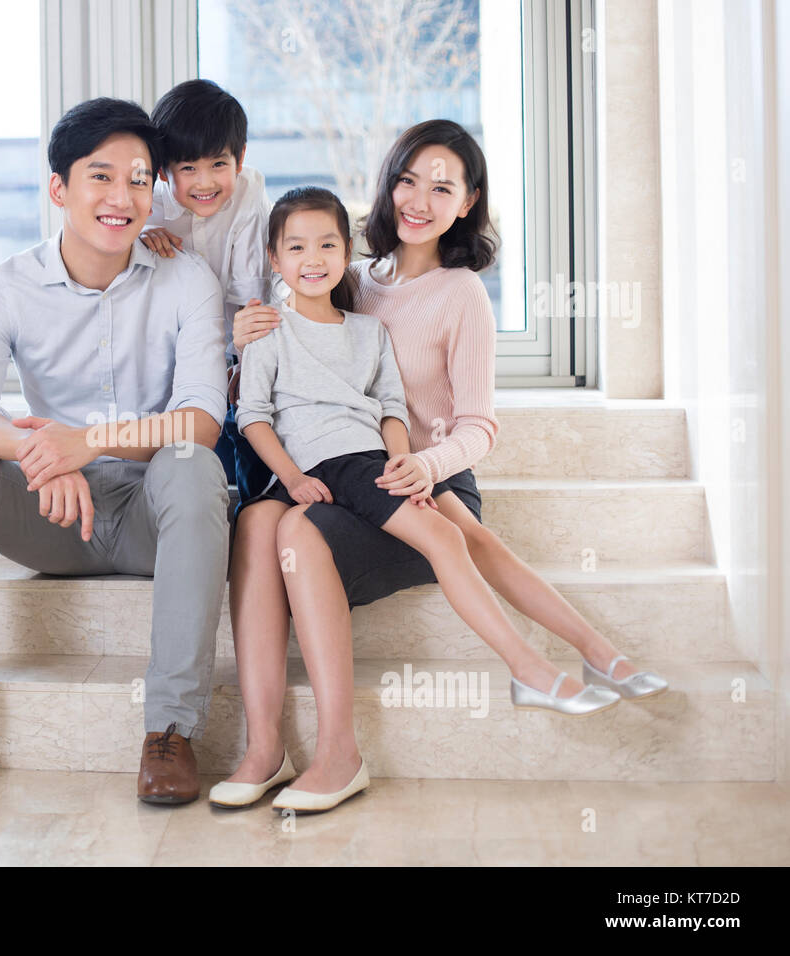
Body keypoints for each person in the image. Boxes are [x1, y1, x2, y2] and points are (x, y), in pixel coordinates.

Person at [217, 121, 668, 813]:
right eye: (407, 179)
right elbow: (292, 360)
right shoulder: (353, 279)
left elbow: (478, 426)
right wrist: (246, 334)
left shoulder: (461, 294)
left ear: (467, 202)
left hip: (419, 467)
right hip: (342, 467)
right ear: (387, 184)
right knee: (257, 524)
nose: (419, 198)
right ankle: (262, 748)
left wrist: (419, 463)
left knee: (454, 533)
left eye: (442, 186)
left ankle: (577, 655)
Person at [0, 97, 231, 806]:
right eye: (100, 177)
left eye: (140, 179)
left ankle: (170, 731)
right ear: (59, 189)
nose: (122, 196)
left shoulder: (188, 279)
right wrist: (37, 451)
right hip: (54, 519)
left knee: (194, 464)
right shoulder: (10, 284)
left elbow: (201, 419)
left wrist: (89, 442)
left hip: (151, 514)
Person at [139, 79, 274, 512]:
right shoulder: (148, 204)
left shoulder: (249, 196)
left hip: (238, 338)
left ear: (240, 159)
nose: (205, 182)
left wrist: (240, 361)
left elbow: (252, 294)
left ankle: (256, 511)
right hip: (173, 351)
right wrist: (139, 235)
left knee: (249, 419)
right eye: (188, 169)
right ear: (163, 171)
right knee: (190, 446)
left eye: (218, 165)